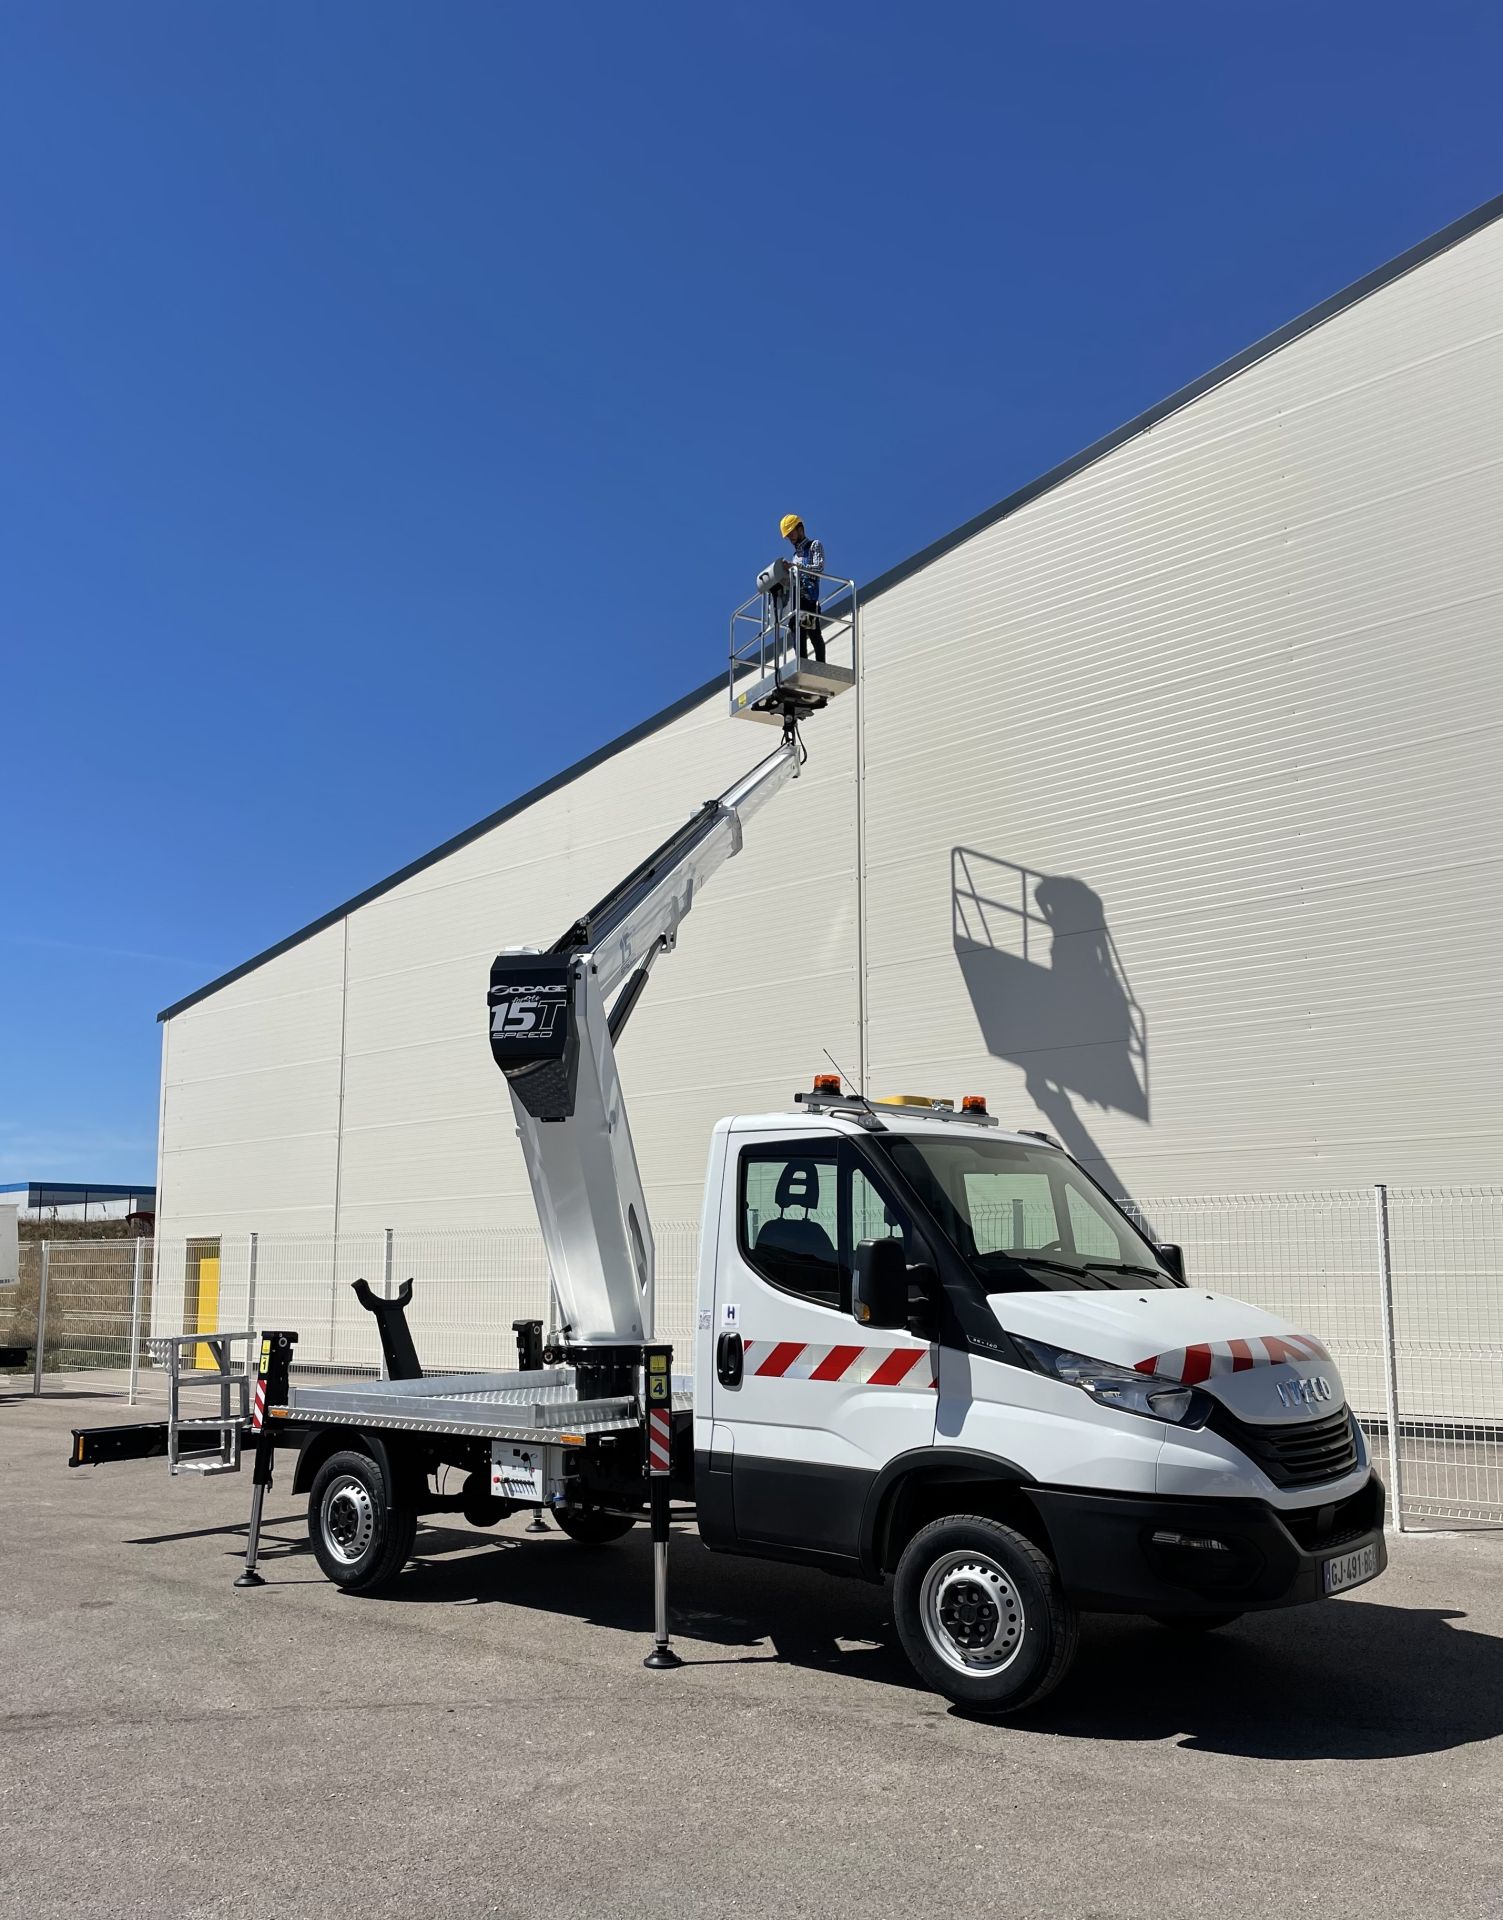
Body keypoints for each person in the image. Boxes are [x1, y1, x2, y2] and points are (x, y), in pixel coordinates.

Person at [779, 513, 826, 663]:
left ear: (800, 529)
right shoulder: (795, 555)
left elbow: (818, 568)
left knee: (812, 633)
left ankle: (818, 664)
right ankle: (802, 662)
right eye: (788, 536)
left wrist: (796, 567)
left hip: (809, 598)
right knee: (796, 626)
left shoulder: (814, 545)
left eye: (791, 533)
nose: (790, 538)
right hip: (798, 598)